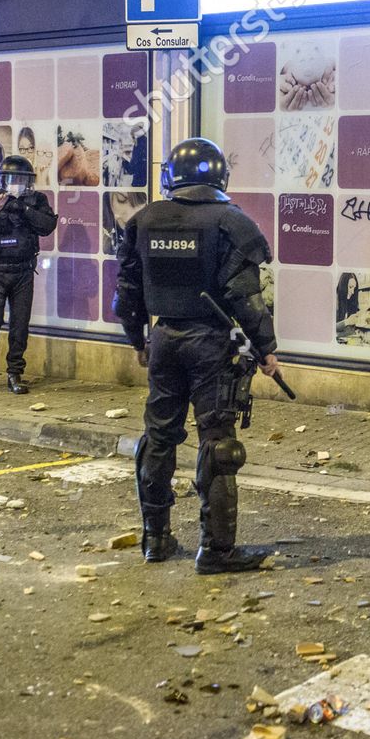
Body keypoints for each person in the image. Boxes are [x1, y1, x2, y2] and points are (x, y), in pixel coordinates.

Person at [113, 137, 280, 573]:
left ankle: (156, 539)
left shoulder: (143, 220)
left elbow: (126, 293)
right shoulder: (230, 221)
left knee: (158, 438)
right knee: (219, 444)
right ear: (220, 175)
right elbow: (247, 298)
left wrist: (138, 342)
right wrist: (266, 350)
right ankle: (217, 551)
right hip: (211, 344)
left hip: (163, 338)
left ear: (171, 175)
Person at [0, 155, 56, 393]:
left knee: (19, 326)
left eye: (20, 179)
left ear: (28, 182)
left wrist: (23, 207)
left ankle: (15, 373)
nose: (15, 184)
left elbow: (47, 226)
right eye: (10, 179)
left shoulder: (36, 200)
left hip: (23, 271)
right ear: (1, 180)